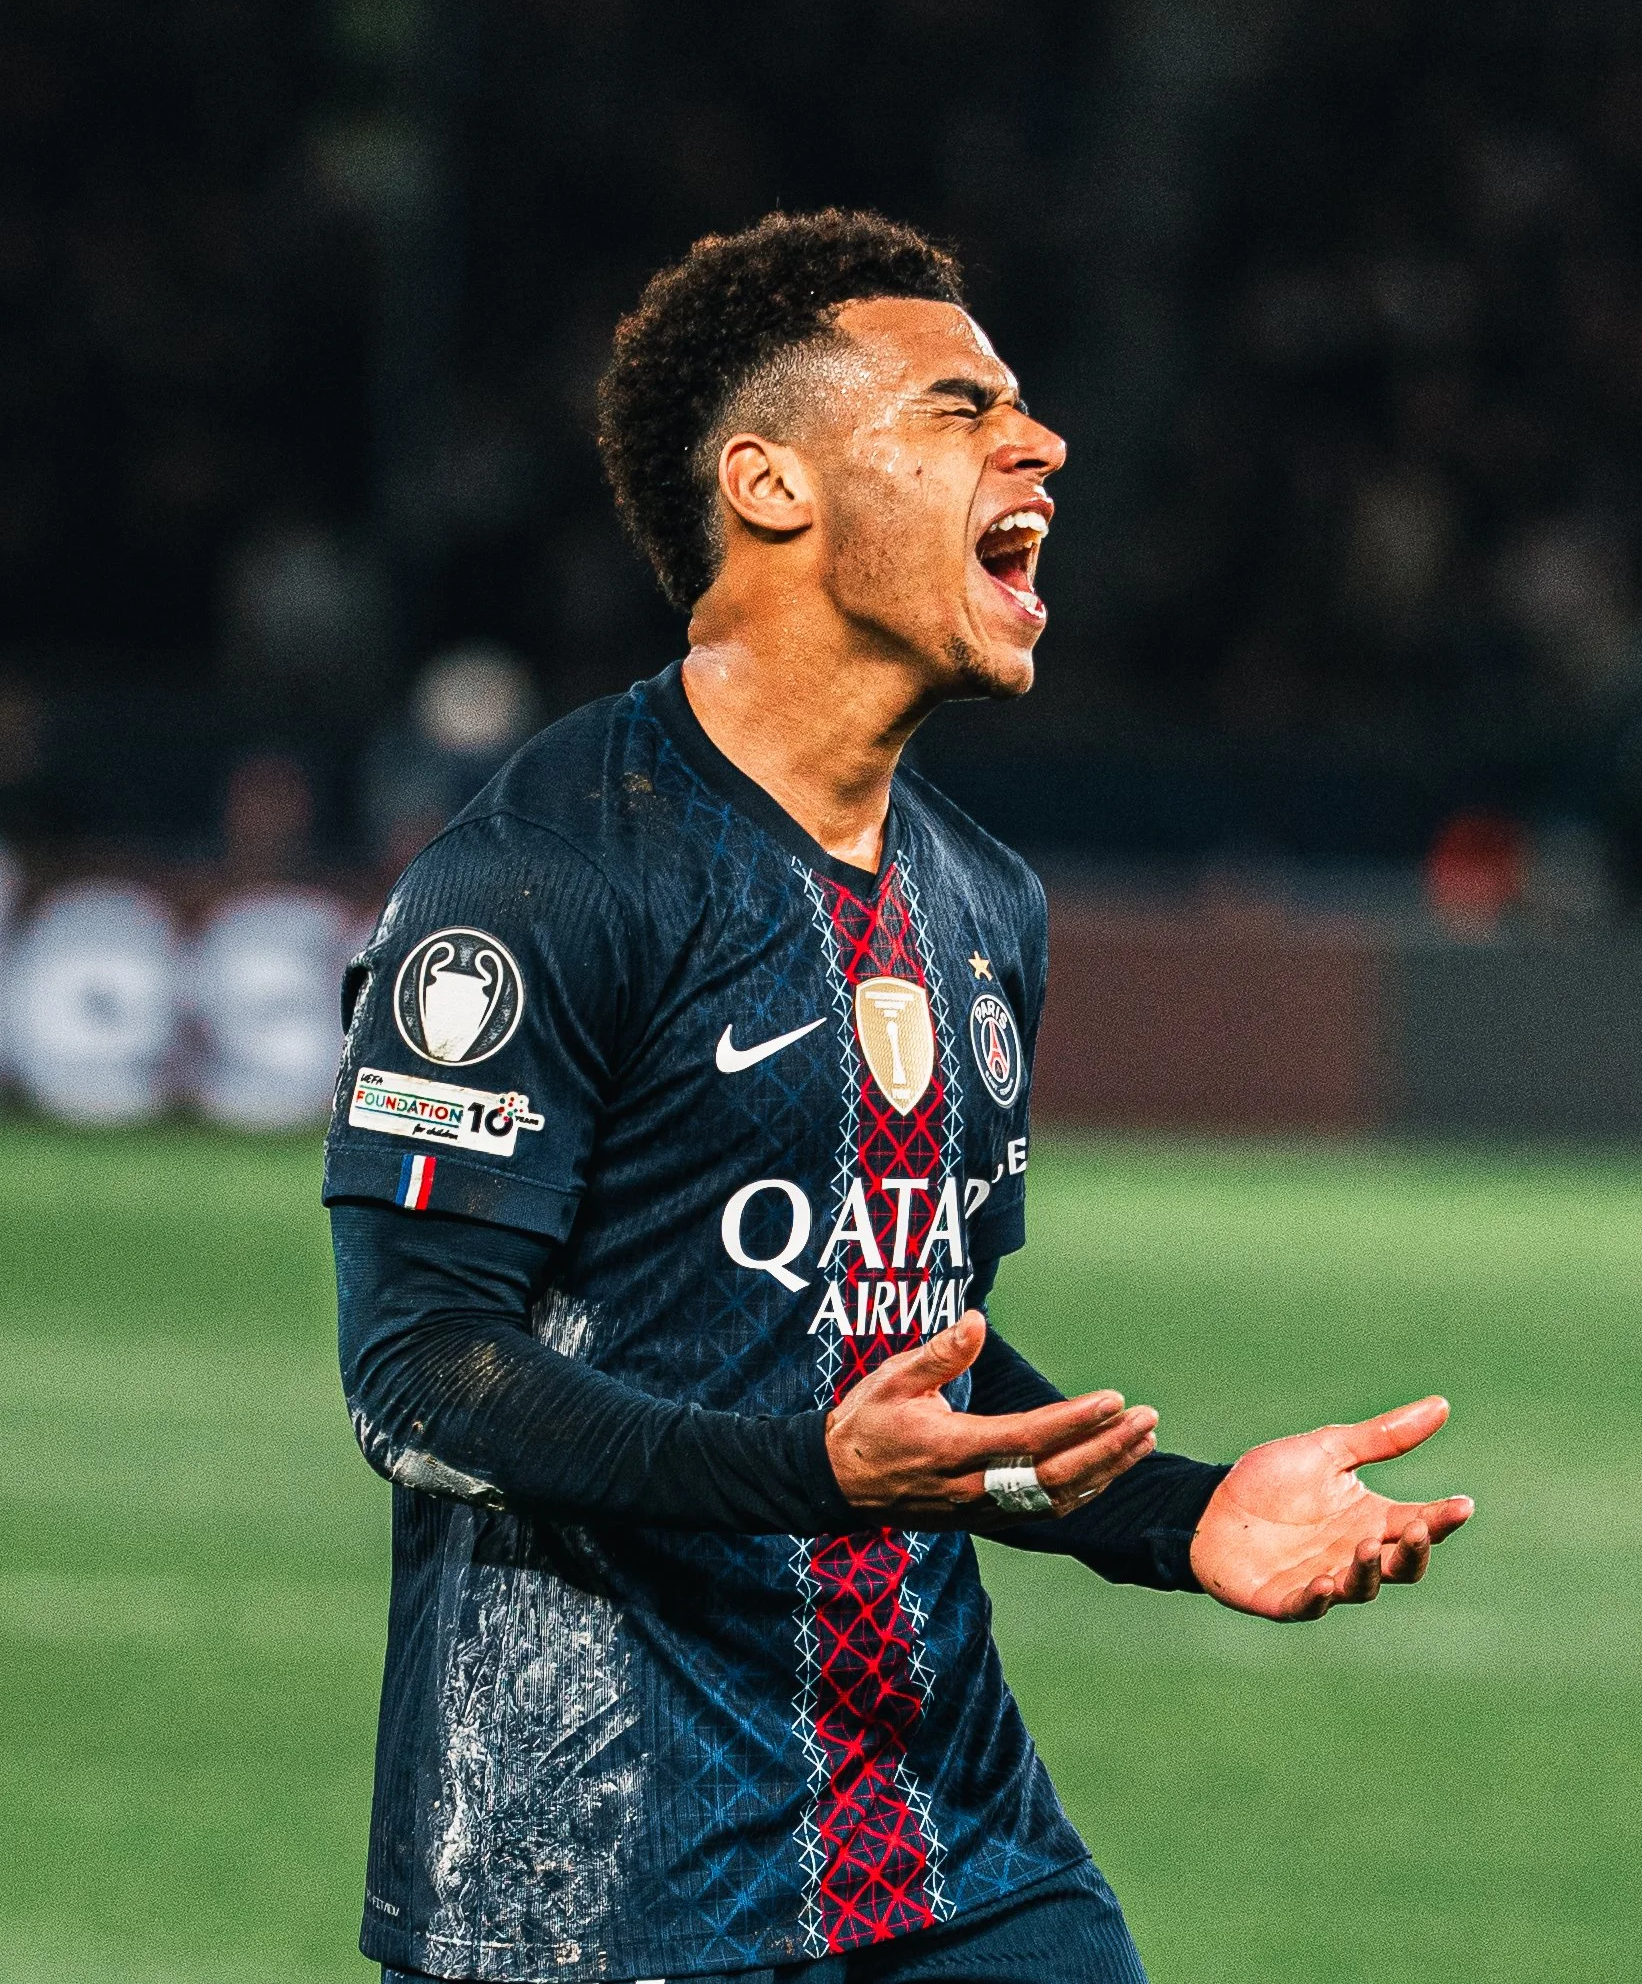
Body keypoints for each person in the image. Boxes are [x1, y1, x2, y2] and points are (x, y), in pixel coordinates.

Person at [324, 212, 1472, 1984]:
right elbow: (417, 1384)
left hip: (953, 1855)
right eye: (960, 410)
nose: (1042, 445)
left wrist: (1179, 1511)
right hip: (592, 1890)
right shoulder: (545, 875)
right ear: (771, 485)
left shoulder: (983, 902)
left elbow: (915, 1356)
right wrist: (813, 1472)